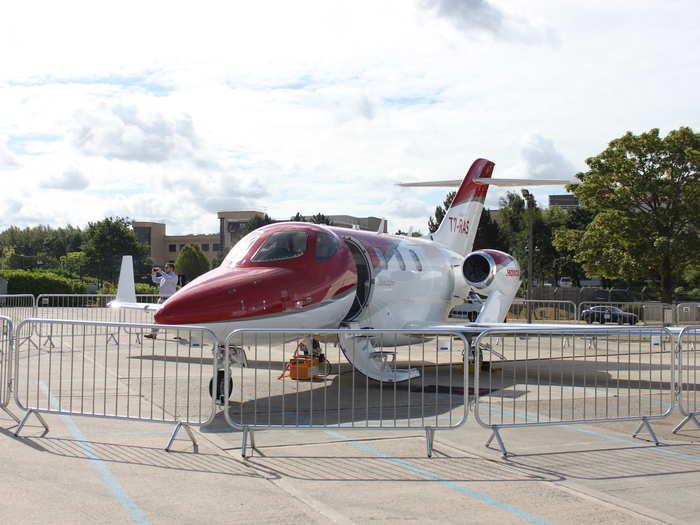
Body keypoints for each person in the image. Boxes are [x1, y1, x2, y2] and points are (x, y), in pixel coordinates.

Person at [145, 263, 178, 339]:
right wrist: (153, 273)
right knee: (157, 316)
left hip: (169, 300)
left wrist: (161, 272)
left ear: (172, 268)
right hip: (161, 299)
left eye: (167, 267)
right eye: (165, 267)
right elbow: (155, 280)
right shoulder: (164, 277)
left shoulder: (174, 276)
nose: (165, 268)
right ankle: (153, 334)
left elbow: (168, 278)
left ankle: (179, 334)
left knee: (174, 317)